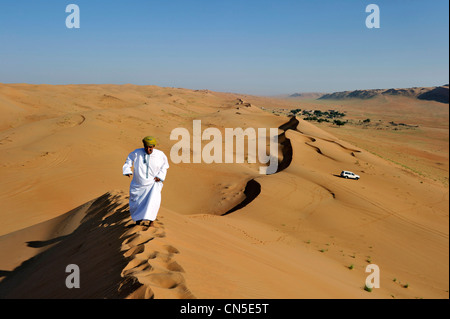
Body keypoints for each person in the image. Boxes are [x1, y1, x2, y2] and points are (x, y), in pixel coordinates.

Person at [122, 136, 169, 227]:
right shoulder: (136, 153)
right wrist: (127, 170)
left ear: (154, 146)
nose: (148, 149)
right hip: (138, 184)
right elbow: (128, 161)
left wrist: (160, 176)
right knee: (137, 202)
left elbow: (165, 166)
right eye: (146, 147)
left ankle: (151, 222)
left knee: (153, 202)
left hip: (153, 184)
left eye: (150, 147)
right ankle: (137, 222)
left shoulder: (160, 155)